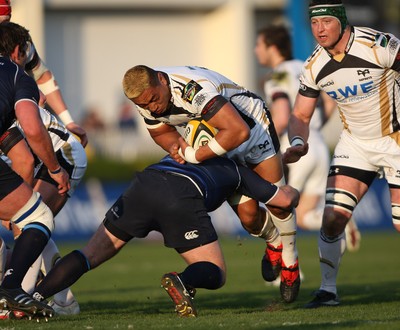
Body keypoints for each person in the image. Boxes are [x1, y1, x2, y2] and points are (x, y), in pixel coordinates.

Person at [28, 155, 299, 318]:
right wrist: (294, 188)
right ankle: (182, 280)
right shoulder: (237, 168)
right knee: (216, 272)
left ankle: (31, 298)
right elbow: (283, 200)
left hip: (144, 184)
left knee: (89, 255)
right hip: (179, 196)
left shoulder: (183, 148)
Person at [122, 65, 300, 302]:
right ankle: (274, 242)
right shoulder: (144, 96)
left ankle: (290, 259)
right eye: (145, 105)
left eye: (154, 100)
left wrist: (195, 155)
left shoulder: (192, 90)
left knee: (278, 204)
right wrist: (178, 147)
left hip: (252, 129)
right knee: (249, 218)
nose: (152, 107)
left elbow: (239, 132)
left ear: (162, 81)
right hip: (217, 141)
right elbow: (160, 131)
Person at [283, 0, 400, 308]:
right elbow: (300, 115)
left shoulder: (378, 46)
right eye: (314, 24)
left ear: (341, 21)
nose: (319, 30)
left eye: (326, 22)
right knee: (333, 218)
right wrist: (297, 141)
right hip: (356, 145)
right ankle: (327, 291)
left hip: (395, 141)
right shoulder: (313, 66)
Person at [254, 24, 361, 251]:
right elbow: (331, 100)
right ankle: (342, 219)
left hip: (294, 150)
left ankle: (287, 275)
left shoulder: (279, 74)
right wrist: (316, 125)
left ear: (272, 48)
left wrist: (258, 140)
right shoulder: (306, 66)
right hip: (318, 146)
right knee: (303, 217)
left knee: (279, 214)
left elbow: (282, 118)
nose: (256, 51)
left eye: (258, 45)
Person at [0, 21, 70, 318]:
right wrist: (54, 169)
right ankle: (12, 289)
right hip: (64, 150)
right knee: (37, 216)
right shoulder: (17, 74)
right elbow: (31, 127)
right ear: (19, 51)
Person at [0, 103, 87, 316]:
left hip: (60, 154)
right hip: (40, 157)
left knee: (28, 223)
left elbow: (25, 162)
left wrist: (18, 207)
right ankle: (64, 301)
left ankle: (20, 298)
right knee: (36, 230)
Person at [0, 0, 88, 148]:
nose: (3, 28)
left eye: (6, 21)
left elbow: (42, 77)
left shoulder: (20, 42)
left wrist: (69, 122)